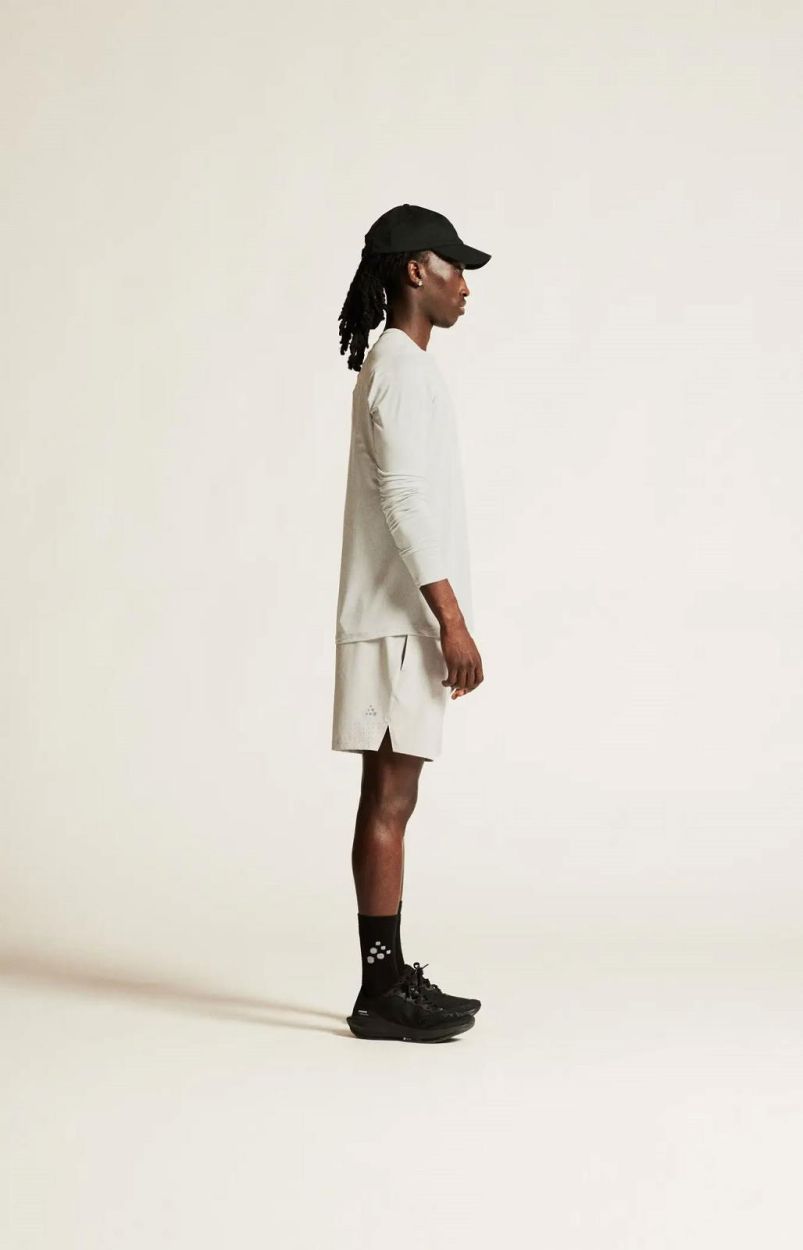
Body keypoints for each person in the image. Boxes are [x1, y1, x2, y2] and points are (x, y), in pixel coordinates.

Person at [332, 203, 491, 1042]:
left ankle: (386, 980)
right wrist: (450, 621)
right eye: (452, 266)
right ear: (413, 271)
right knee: (389, 800)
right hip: (397, 624)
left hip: (402, 621)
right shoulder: (396, 365)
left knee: (395, 797)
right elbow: (402, 502)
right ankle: (380, 989)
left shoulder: (405, 366)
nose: (464, 284)